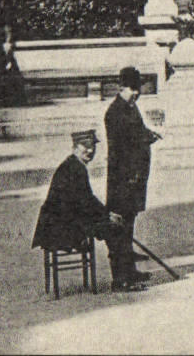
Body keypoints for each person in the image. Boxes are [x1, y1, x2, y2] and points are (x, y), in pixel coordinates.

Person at [34, 130, 119, 282]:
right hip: (60, 226)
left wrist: (105, 214)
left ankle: (122, 271)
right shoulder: (75, 168)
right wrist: (107, 216)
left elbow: (85, 200)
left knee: (110, 226)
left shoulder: (72, 164)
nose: (91, 150)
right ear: (75, 147)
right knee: (114, 229)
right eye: (85, 146)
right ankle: (121, 277)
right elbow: (85, 201)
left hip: (59, 220)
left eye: (93, 146)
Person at [103, 66, 161, 290]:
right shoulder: (115, 112)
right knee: (119, 227)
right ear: (121, 87)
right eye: (132, 89)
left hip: (134, 178)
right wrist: (144, 140)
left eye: (138, 89)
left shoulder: (130, 108)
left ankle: (130, 271)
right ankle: (120, 279)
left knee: (129, 226)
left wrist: (149, 135)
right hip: (123, 179)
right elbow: (125, 145)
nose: (136, 93)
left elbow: (139, 131)